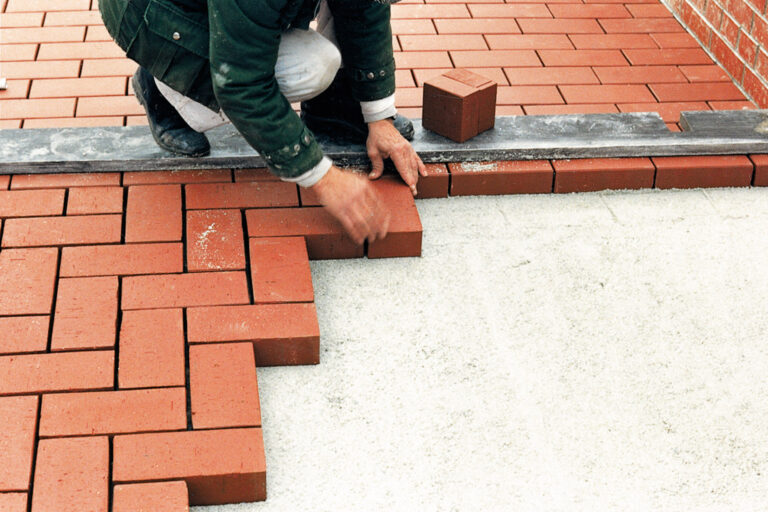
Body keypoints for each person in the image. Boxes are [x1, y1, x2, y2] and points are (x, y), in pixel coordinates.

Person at [99, 0, 426, 244]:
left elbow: (367, 8)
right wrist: (325, 178)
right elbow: (243, 85)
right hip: (153, 16)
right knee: (311, 66)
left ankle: (334, 109)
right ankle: (162, 88)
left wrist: (378, 116)